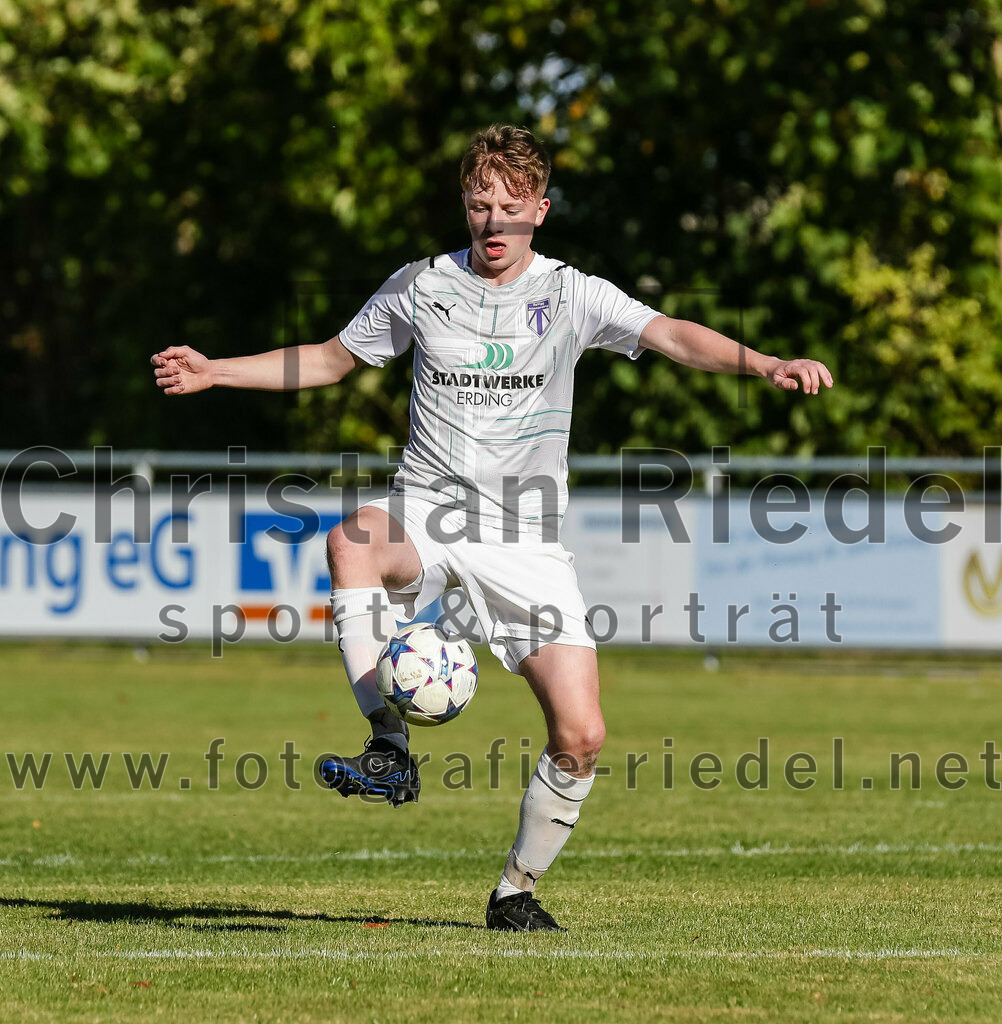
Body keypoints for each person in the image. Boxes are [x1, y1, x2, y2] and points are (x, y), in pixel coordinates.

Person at [151, 123, 833, 932]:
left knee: (582, 734)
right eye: (480, 205)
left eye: (512, 206)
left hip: (525, 540)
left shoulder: (574, 295)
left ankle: (515, 891)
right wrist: (216, 370)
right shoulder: (421, 285)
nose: (493, 221)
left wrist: (765, 363)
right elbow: (332, 358)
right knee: (350, 541)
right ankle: (387, 746)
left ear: (540, 210)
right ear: (465, 207)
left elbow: (673, 335)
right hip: (427, 511)